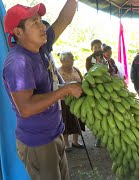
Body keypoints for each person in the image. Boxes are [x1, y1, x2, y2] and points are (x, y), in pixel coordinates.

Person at [2, 1, 82, 179]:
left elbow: (64, 19)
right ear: (18, 32)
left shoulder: (41, 48)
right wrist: (64, 91)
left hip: (54, 133)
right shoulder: (18, 62)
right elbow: (26, 108)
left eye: (40, 20)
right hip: (38, 142)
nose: (42, 26)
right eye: (34, 22)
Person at [58, 51, 85, 151]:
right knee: (66, 121)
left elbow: (82, 81)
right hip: (65, 101)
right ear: (62, 61)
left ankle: (75, 141)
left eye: (73, 58)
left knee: (78, 120)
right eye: (70, 58)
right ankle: (66, 143)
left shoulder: (76, 70)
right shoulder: (58, 72)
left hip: (78, 100)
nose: (72, 60)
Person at [85, 39, 106, 147]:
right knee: (96, 114)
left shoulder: (105, 58)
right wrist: (97, 64)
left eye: (99, 47)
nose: (97, 49)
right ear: (92, 49)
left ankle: (104, 136)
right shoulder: (89, 59)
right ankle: (97, 137)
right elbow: (89, 72)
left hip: (105, 90)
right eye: (95, 47)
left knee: (105, 113)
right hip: (94, 90)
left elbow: (109, 71)